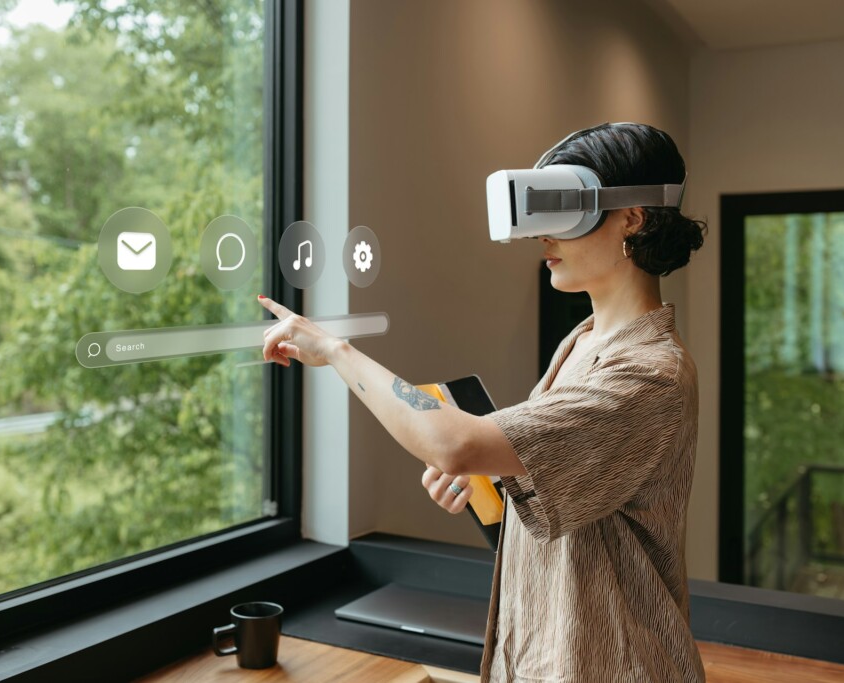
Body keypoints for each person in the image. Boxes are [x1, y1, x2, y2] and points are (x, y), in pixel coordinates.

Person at [257, 122, 707, 682]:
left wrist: (335, 350)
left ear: (632, 219)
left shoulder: (650, 373)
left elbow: (454, 442)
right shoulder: (584, 341)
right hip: (549, 652)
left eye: (563, 211)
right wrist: (493, 480)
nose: (542, 238)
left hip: (618, 664)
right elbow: (580, 490)